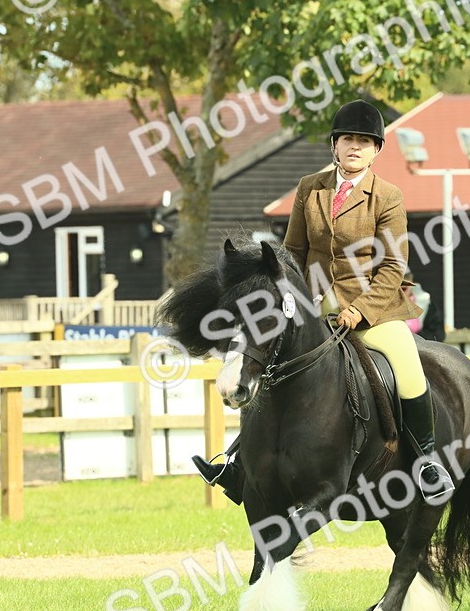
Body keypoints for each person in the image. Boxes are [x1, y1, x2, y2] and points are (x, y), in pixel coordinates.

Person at [192, 99, 456, 505]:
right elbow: (293, 253)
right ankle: (239, 461)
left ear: (376, 150)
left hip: (374, 309)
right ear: (335, 145)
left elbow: (392, 266)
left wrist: (359, 310)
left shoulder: (387, 197)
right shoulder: (309, 188)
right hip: (313, 305)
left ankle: (426, 461)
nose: (355, 147)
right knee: (267, 361)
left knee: (407, 367)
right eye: (348, 139)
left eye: (364, 142)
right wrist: (287, 297)